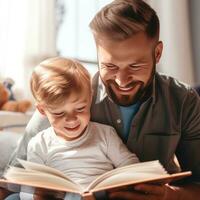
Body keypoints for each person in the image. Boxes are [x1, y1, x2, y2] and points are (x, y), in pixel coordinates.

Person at [2, 0, 200, 199]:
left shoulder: (183, 100)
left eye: (135, 66)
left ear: (157, 53)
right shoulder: (67, 95)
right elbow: (12, 183)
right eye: (111, 66)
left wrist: (169, 195)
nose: (122, 81)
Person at [15, 57, 139, 200]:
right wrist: (35, 196)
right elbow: (26, 190)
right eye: (59, 113)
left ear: (90, 99)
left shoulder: (105, 134)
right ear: (42, 110)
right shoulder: (39, 144)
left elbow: (129, 164)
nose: (72, 119)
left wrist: (124, 184)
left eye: (80, 109)